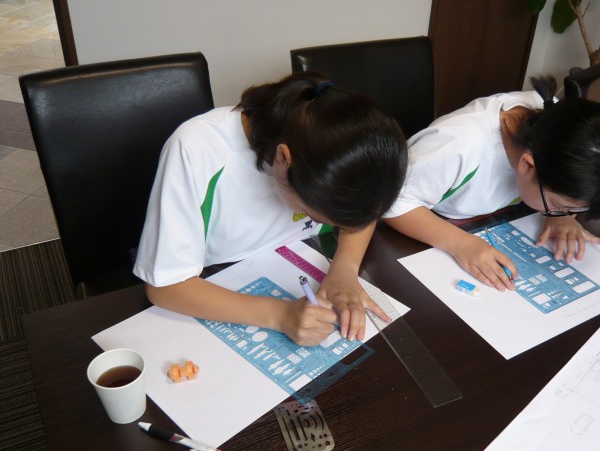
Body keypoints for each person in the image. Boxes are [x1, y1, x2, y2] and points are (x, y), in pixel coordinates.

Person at [133, 72, 407, 346]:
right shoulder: (197, 149)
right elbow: (164, 285)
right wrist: (281, 315)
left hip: (301, 254)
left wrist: (345, 268)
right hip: (214, 279)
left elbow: (362, 212)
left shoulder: (335, 140)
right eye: (309, 212)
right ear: (283, 158)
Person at [383, 75, 600, 292]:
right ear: (527, 165)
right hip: (422, 224)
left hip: (487, 219)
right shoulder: (457, 146)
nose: (563, 212)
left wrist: (560, 217)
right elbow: (391, 201)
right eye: (558, 206)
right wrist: (460, 244)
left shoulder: (558, 127)